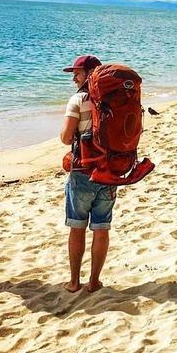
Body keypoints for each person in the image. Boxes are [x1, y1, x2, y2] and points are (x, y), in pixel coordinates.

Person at [60, 55, 116, 293]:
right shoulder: (113, 100)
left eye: (78, 72)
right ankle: (94, 281)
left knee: (77, 227)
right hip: (110, 171)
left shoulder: (79, 99)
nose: (74, 77)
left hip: (83, 171)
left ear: (90, 73)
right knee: (102, 228)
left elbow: (65, 138)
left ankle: (74, 281)